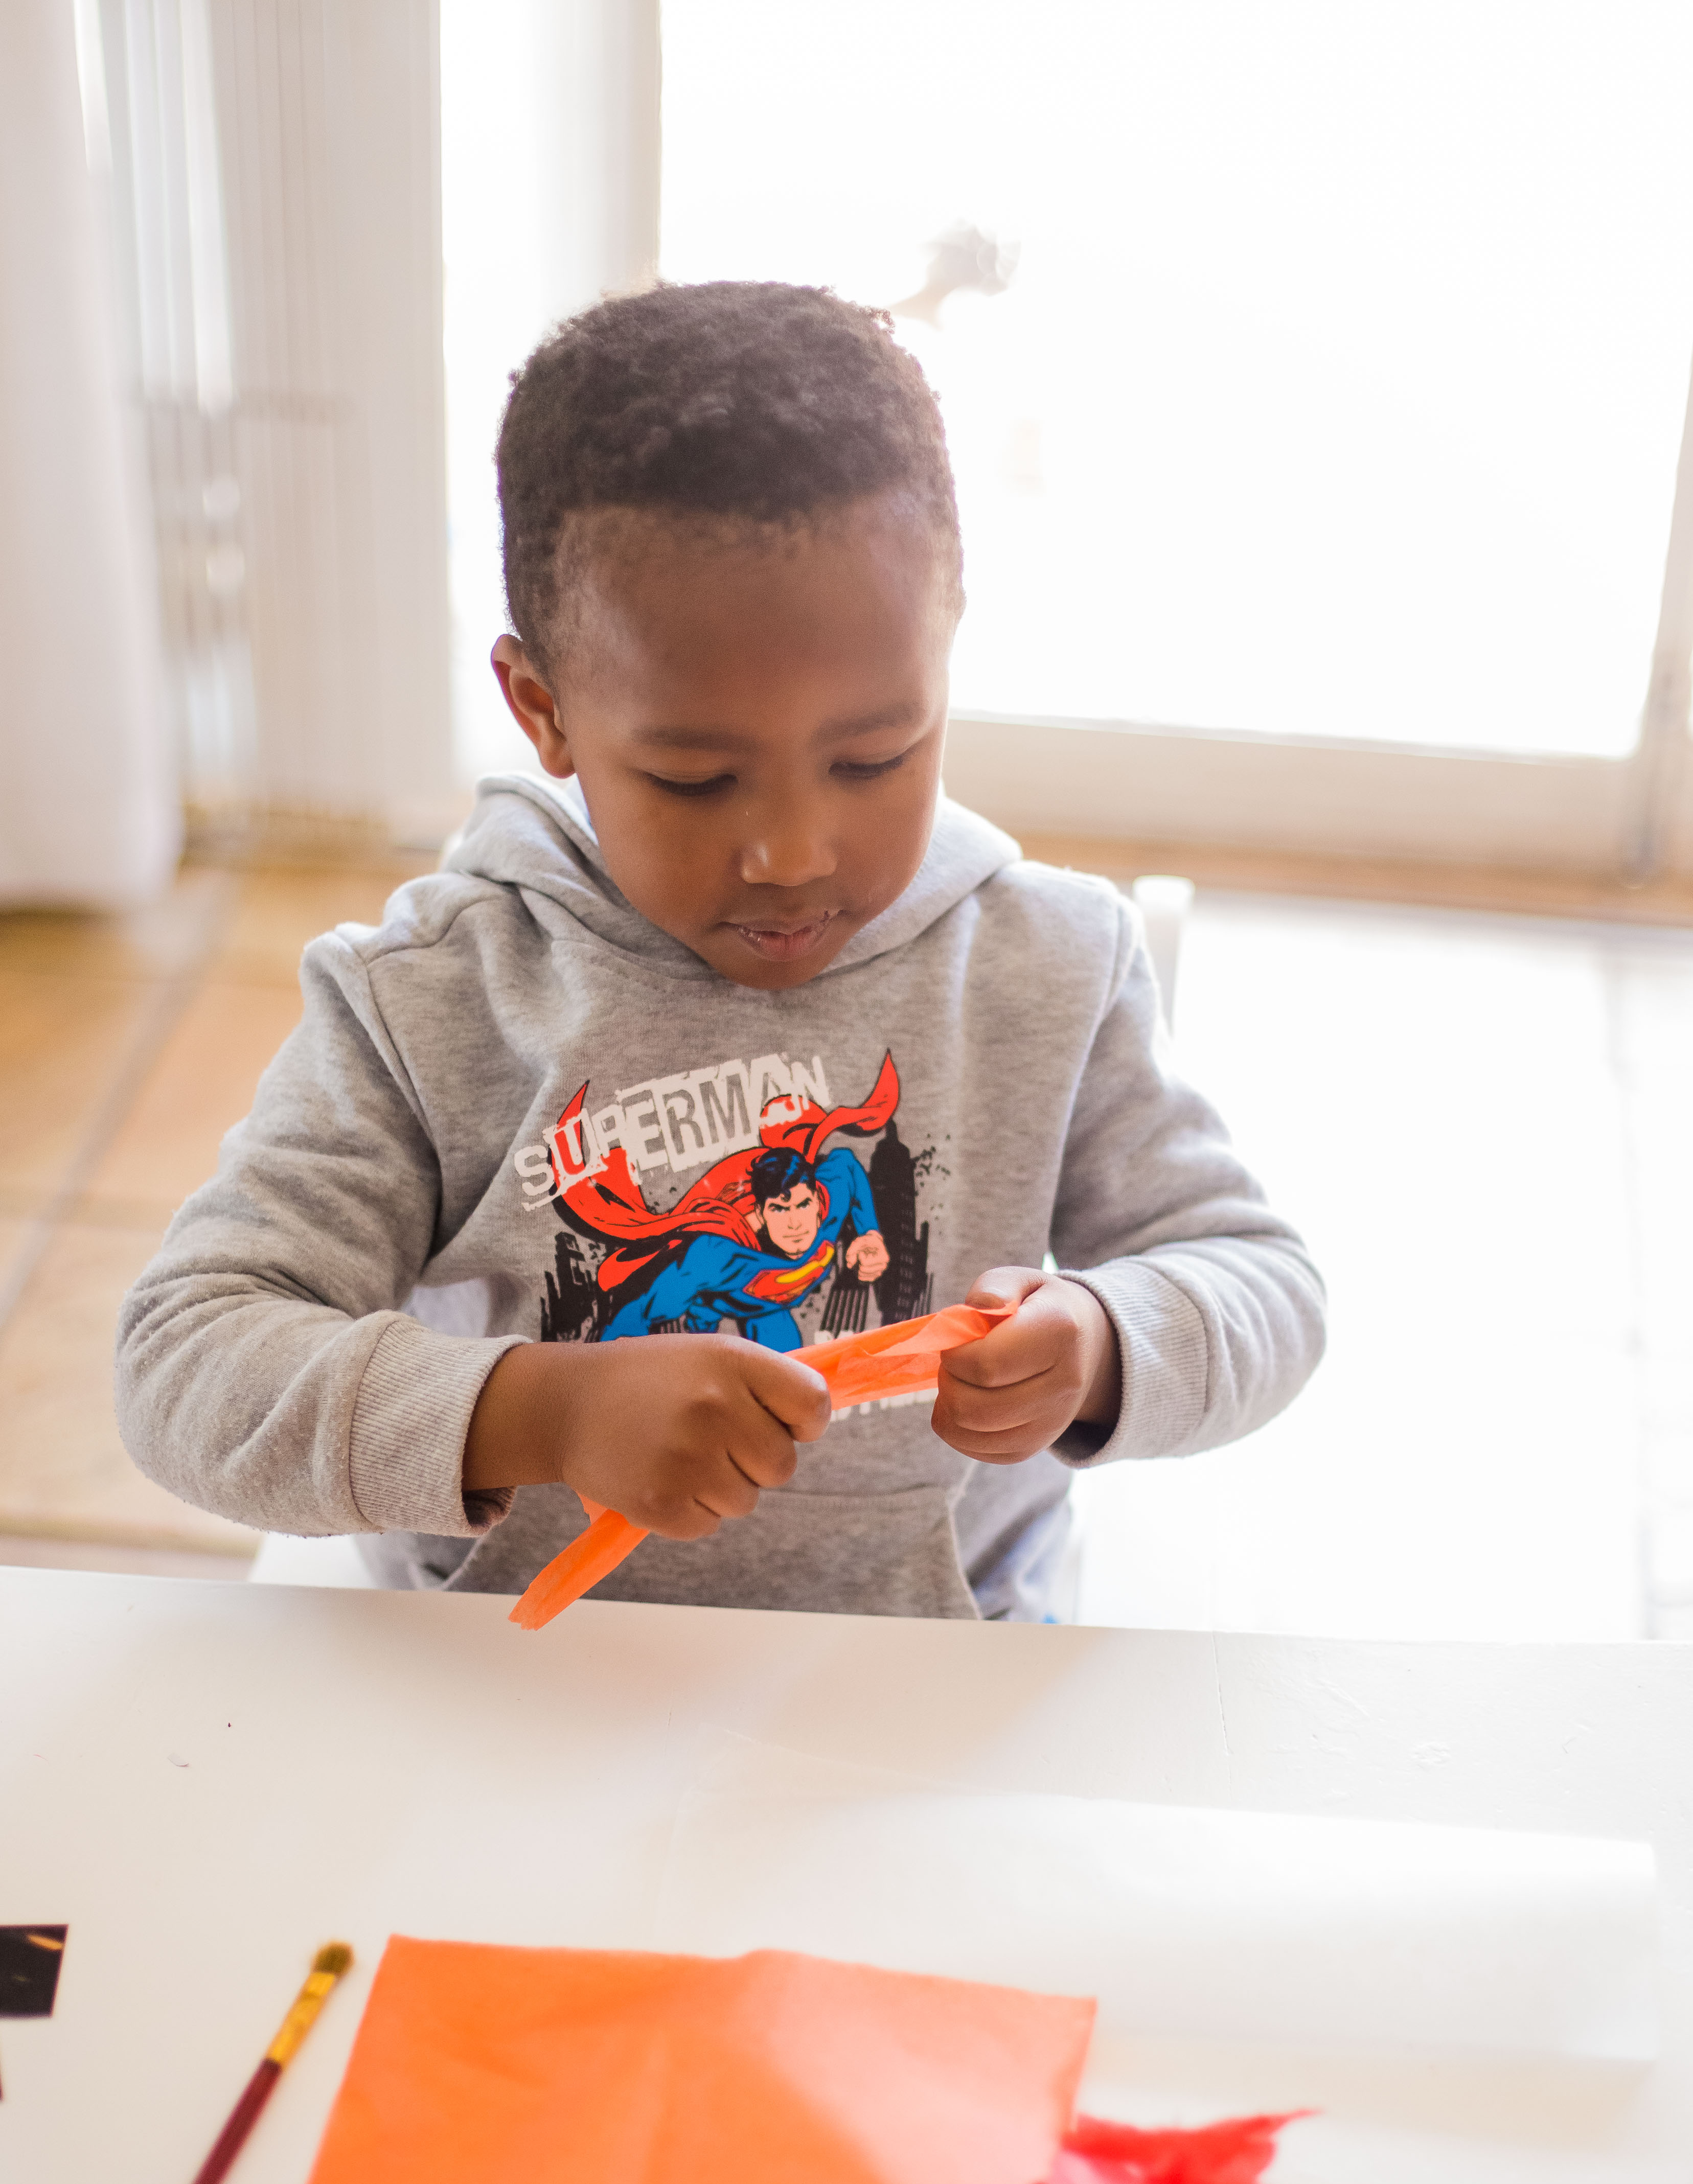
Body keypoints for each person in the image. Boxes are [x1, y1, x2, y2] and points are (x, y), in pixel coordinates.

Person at [116, 280, 1325, 1622]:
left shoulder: (1052, 962)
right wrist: (541, 1413)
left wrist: (1105, 1343)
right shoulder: (428, 1001)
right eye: (695, 779)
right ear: (542, 709)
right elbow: (185, 1364)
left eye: (875, 757)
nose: (792, 854)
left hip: (945, 1659)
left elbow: (1262, 1282)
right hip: (513, 1675)